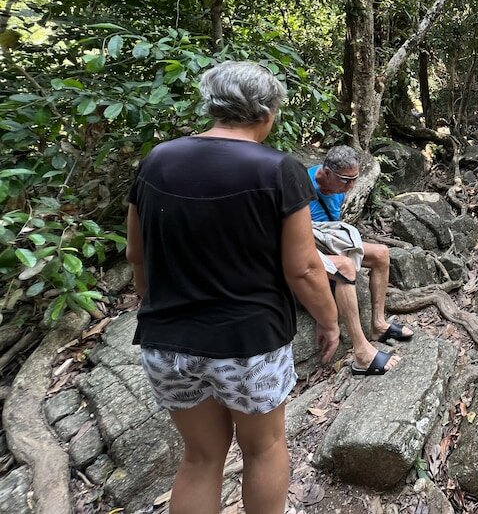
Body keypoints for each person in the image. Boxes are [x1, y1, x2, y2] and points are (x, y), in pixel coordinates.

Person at [126, 61, 341, 514]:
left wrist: (156, 307)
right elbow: (302, 268)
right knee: (263, 448)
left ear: (213, 105)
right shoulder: (279, 169)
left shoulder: (158, 159)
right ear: (267, 112)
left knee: (201, 456)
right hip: (248, 345)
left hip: (167, 342)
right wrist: (329, 321)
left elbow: (137, 255)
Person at [307, 145, 413, 375]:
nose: (351, 186)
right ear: (326, 173)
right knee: (345, 267)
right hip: (306, 248)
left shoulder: (341, 186)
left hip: (328, 241)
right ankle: (361, 352)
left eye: (355, 179)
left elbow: (334, 225)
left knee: (382, 253)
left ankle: (378, 324)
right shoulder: (302, 186)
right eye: (346, 180)